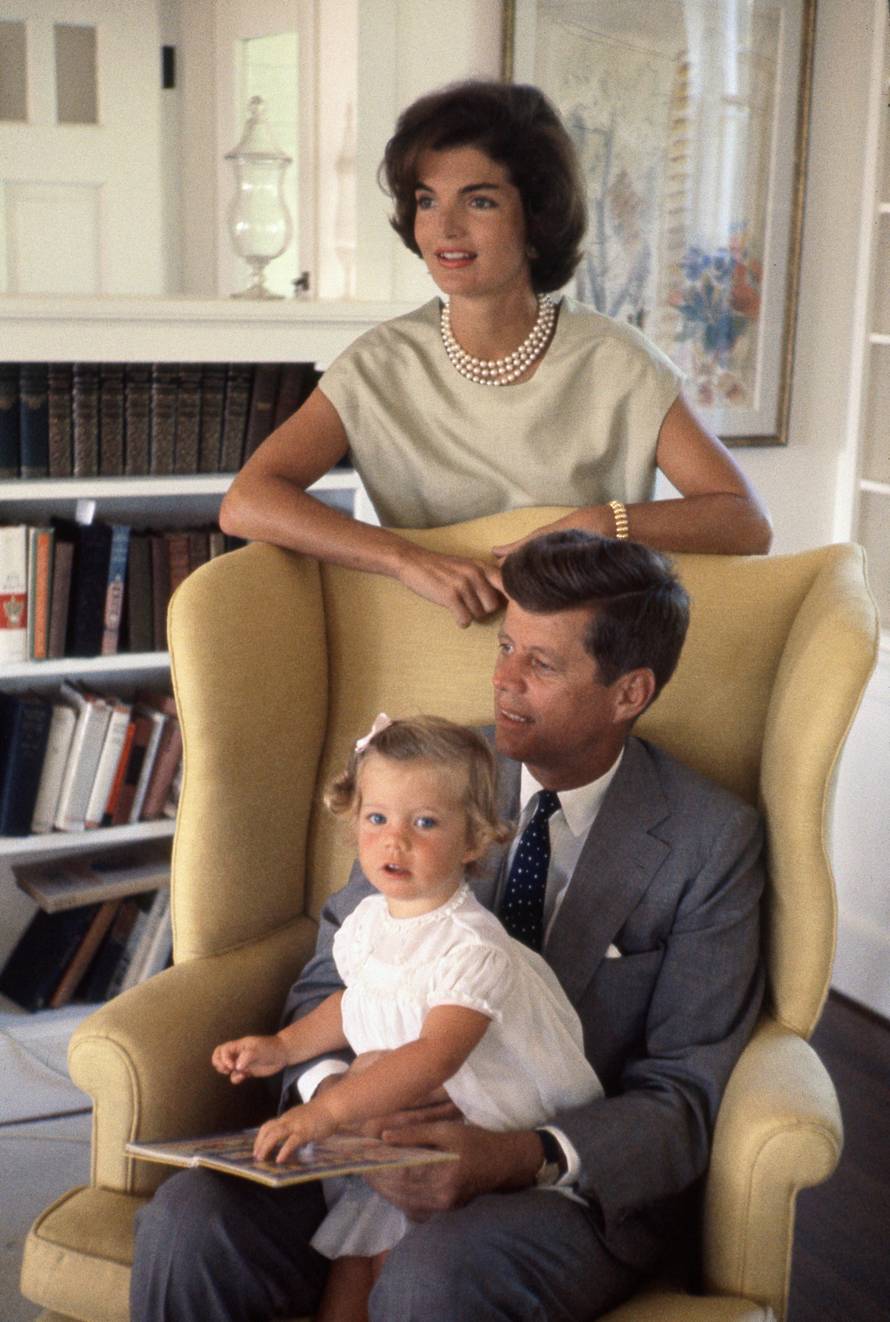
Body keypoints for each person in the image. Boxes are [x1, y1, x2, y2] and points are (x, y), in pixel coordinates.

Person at [131, 530, 765, 1321]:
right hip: (363, 1141)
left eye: (540, 664)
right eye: (506, 647)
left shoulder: (712, 841)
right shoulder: (433, 772)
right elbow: (336, 978)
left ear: (628, 692)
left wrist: (513, 1157)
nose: (502, 681)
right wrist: (345, 1096)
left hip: (551, 1187)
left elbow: (683, 1095)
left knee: (433, 1274)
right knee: (192, 1220)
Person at [219, 80, 772, 630]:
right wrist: (407, 560)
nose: (446, 228)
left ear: (537, 217)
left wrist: (602, 524)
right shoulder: (377, 366)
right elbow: (247, 500)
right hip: (429, 646)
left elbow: (744, 520)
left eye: (479, 201)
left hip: (581, 664)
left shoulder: (616, 362)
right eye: (427, 200)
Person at [211, 714, 602, 1322]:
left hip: (480, 1138)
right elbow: (357, 1002)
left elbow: (435, 1054)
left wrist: (327, 1111)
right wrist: (283, 1047)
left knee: (399, 1275)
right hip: (398, 1141)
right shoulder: (369, 922)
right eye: (377, 819)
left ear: (474, 841)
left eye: (424, 823)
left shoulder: (473, 948)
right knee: (351, 1270)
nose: (395, 841)